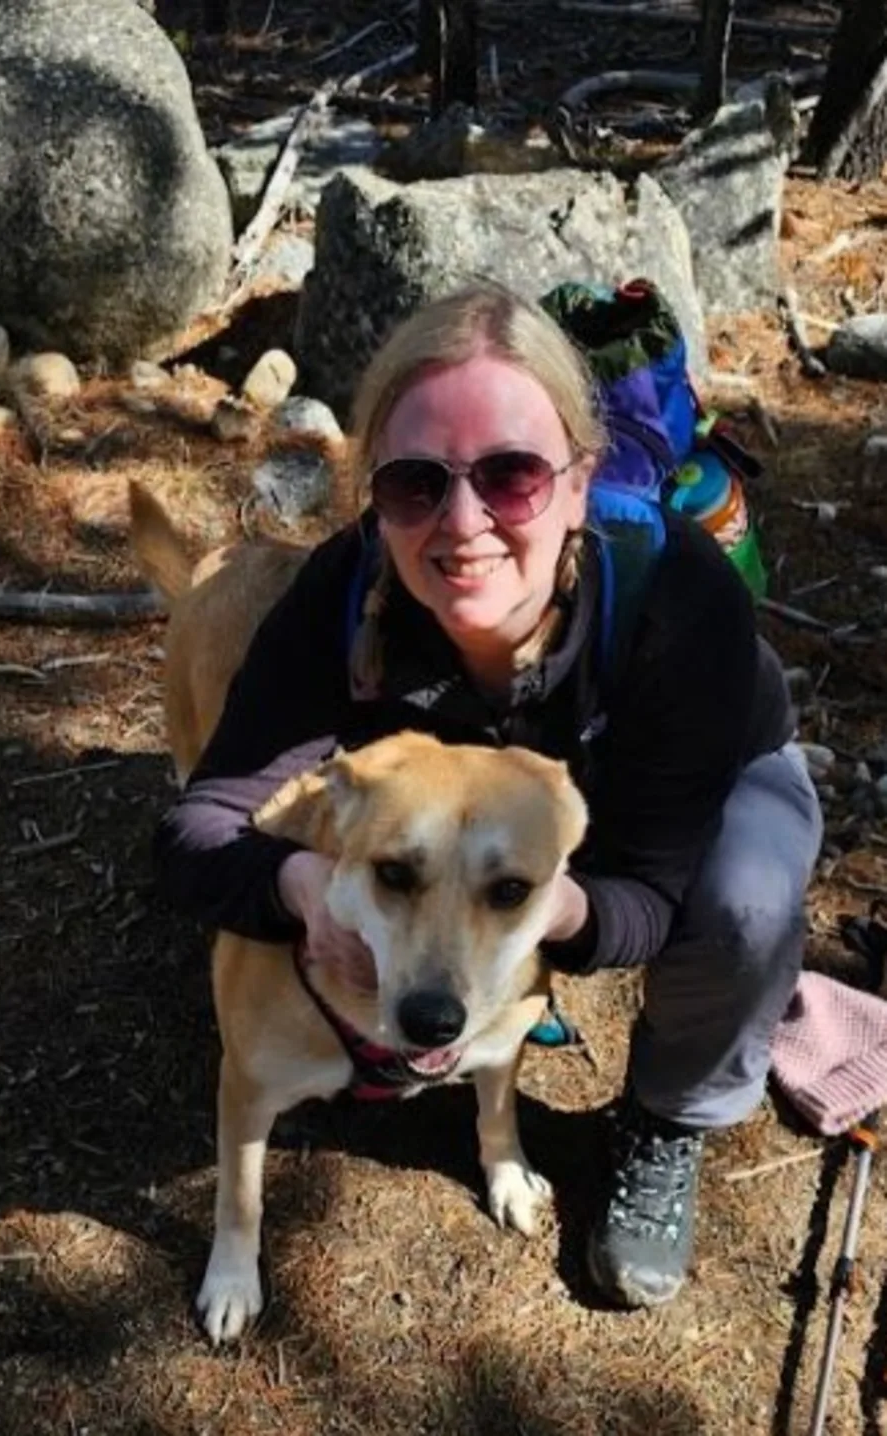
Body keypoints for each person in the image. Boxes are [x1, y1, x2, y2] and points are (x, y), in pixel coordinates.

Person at [152, 283, 823, 1309]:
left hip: (682, 772)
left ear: (578, 480)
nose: (462, 524)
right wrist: (299, 886)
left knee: (743, 894)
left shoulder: (680, 603)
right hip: (481, 815)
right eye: (417, 483)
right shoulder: (343, 592)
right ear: (375, 494)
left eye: (511, 476)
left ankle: (669, 1116)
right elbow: (195, 828)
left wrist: (556, 910)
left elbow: (642, 893)